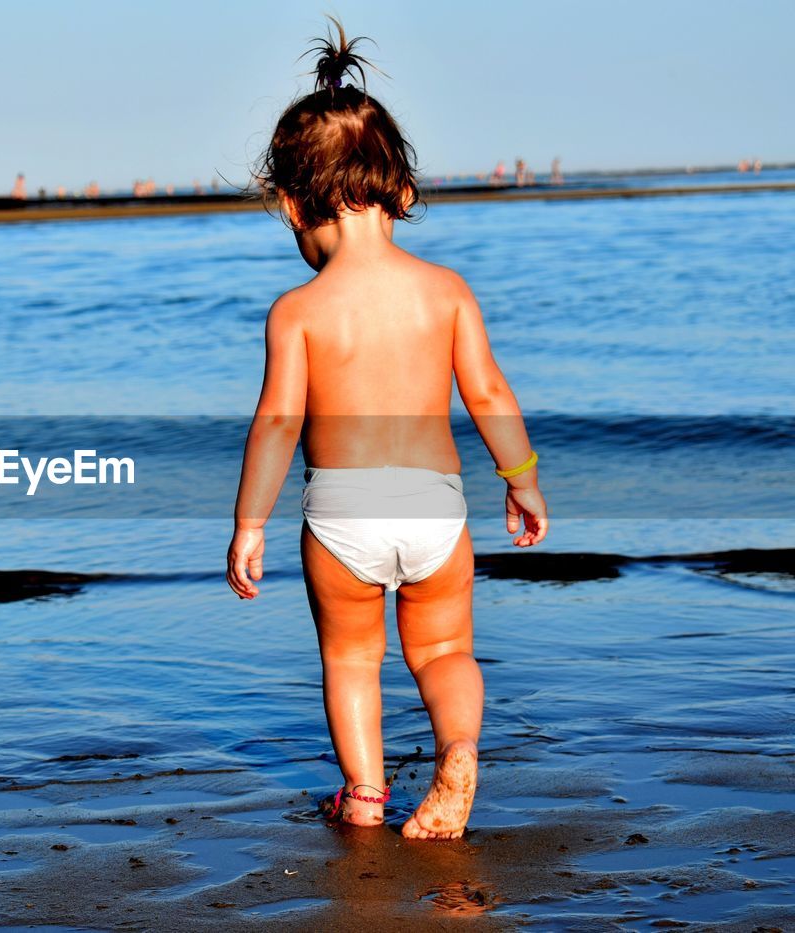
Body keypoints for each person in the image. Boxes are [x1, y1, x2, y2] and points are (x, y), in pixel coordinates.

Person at [226, 20, 547, 840]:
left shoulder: (298, 311)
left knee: (351, 659)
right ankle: (460, 749)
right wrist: (522, 477)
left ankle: (365, 795)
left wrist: (250, 523)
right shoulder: (445, 290)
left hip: (341, 515)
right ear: (403, 192)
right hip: (436, 506)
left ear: (291, 203)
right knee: (443, 652)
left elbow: (277, 421)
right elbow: (487, 391)